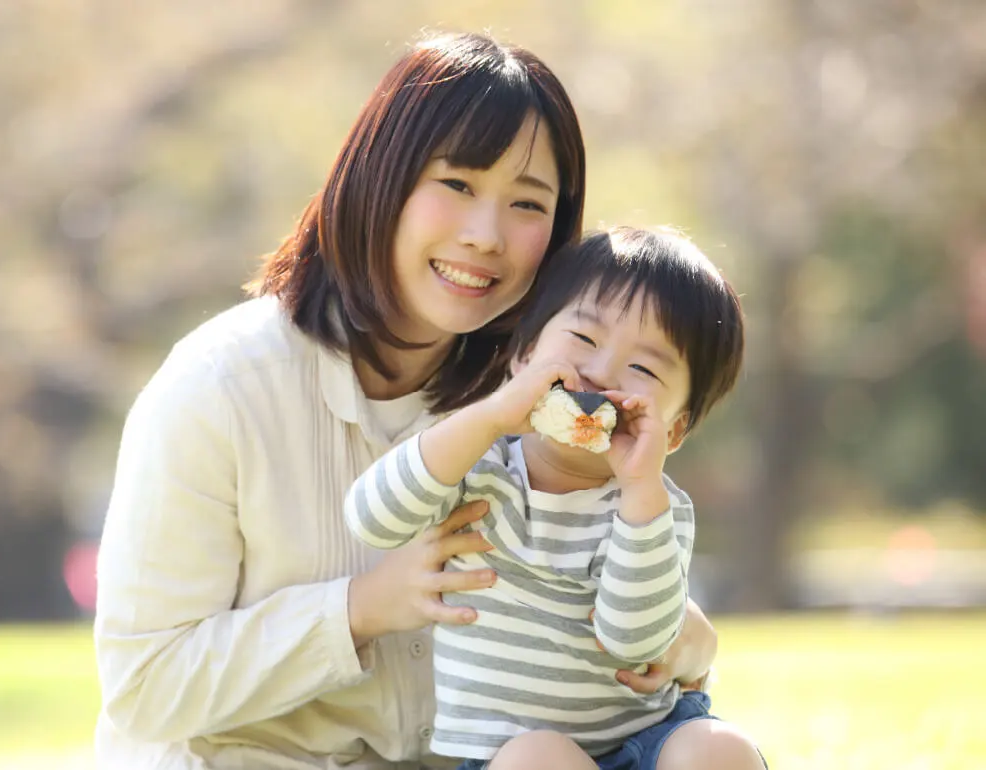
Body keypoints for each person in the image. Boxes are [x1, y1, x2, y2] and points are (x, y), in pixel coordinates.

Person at [93, 30, 720, 770]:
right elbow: (143, 687)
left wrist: (687, 634)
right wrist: (358, 611)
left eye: (527, 203)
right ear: (378, 177)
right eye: (456, 185)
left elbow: (597, 559)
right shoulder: (219, 388)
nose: (485, 235)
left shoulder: (544, 389)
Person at [345, 227, 767, 770]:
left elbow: (633, 640)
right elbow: (370, 520)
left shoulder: (655, 508)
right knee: (538, 757)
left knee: (719, 748)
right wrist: (490, 415)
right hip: (510, 755)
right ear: (522, 355)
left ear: (676, 429)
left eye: (643, 368)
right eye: (584, 340)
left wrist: (640, 489)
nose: (602, 371)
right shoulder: (475, 464)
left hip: (646, 741)